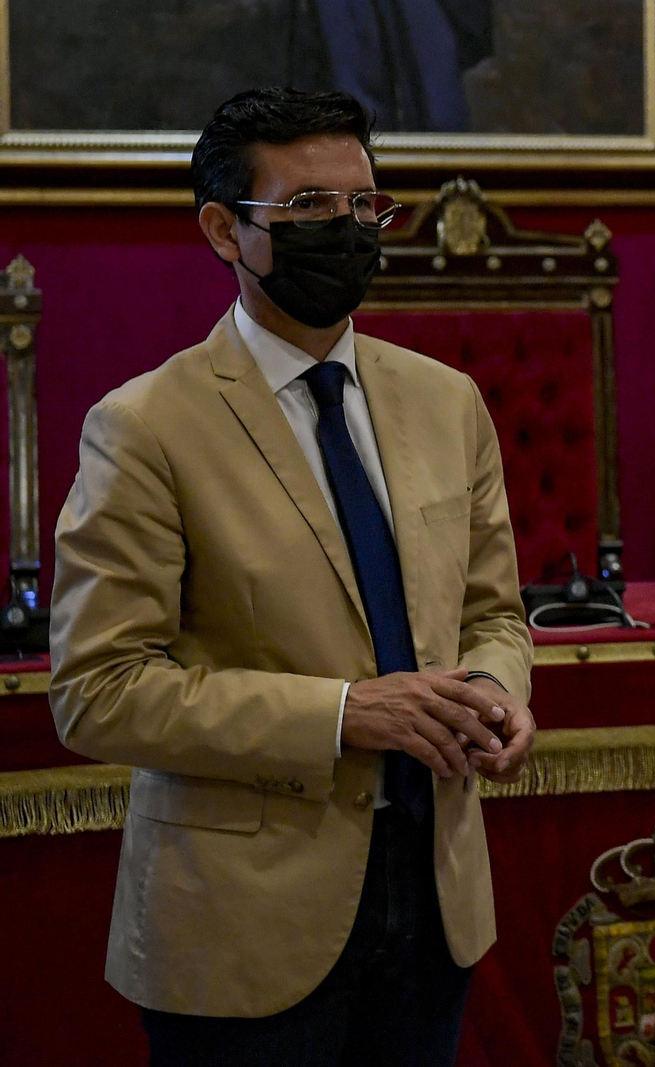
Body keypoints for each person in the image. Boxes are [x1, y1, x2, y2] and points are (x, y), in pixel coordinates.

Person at [49, 88, 535, 1066]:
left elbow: (494, 612)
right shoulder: (145, 426)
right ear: (226, 230)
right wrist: (343, 711)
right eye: (310, 209)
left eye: (364, 207)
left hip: (434, 895)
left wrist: (494, 690)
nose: (347, 230)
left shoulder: (447, 401)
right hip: (241, 918)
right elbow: (99, 692)